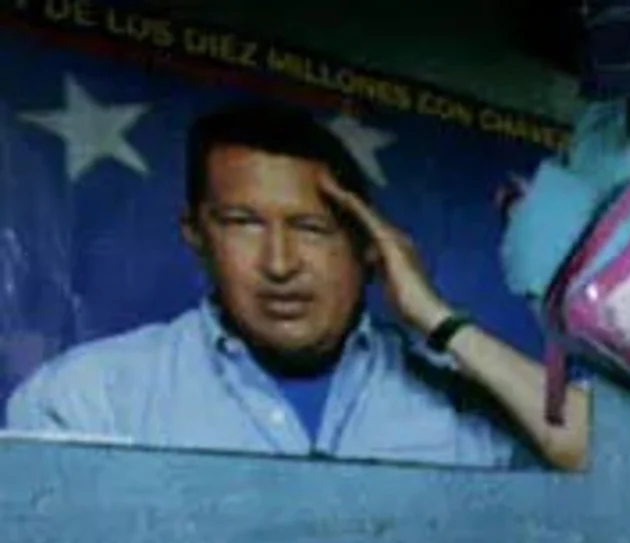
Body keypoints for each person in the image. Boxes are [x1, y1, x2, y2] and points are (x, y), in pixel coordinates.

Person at [4, 101, 590, 471]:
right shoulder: (90, 401)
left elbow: (607, 463)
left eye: (313, 228)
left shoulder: (465, 409)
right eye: (243, 223)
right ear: (196, 234)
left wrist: (439, 318)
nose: (280, 264)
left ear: (368, 244)